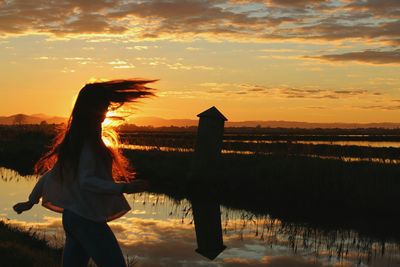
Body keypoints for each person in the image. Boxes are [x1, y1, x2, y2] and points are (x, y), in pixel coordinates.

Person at [13, 79, 156, 267]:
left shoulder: (76, 141)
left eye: (106, 107)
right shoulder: (88, 143)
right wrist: (125, 187)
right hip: (86, 218)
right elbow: (87, 181)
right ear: (91, 110)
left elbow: (51, 174)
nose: (105, 113)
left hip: (73, 217)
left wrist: (32, 200)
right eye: (103, 107)